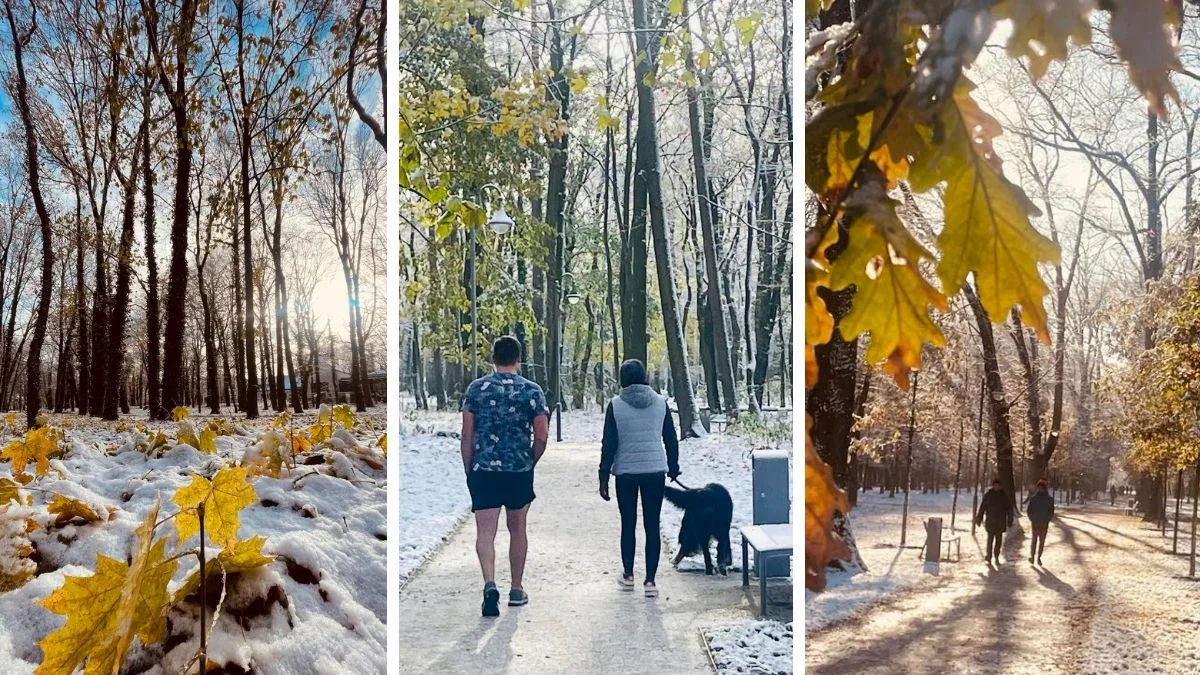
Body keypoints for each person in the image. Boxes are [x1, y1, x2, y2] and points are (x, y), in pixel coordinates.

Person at [461, 336, 549, 617]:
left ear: (493, 358)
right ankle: (517, 588)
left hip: (484, 470)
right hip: (518, 470)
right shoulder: (532, 392)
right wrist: (530, 460)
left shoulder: (476, 390)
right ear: (519, 359)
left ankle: (489, 583)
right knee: (518, 529)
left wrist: (469, 467)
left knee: (485, 533)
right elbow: (543, 435)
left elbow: (467, 434)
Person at [598, 359, 680, 598]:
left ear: (622, 379)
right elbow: (671, 439)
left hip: (626, 473)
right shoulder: (661, 404)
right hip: (655, 471)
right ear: (645, 377)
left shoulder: (615, 405)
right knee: (652, 525)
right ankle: (651, 581)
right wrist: (673, 467)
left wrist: (603, 476)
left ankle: (628, 574)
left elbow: (609, 444)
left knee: (628, 524)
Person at [975, 478, 1013, 566]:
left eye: (998, 485)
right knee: (990, 540)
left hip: (1000, 522)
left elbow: (1009, 509)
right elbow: (982, 507)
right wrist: (979, 518)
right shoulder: (988, 495)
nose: (996, 487)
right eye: (995, 485)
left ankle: (996, 555)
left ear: (1000, 486)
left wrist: (1010, 519)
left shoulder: (1004, 496)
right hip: (990, 521)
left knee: (998, 541)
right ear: (993, 485)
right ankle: (989, 556)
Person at [1027, 479, 1055, 564]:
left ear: (1044, 488)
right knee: (1034, 540)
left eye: (1041, 488)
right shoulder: (1034, 498)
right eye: (1039, 488)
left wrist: (1047, 519)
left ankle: (1039, 557)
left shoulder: (1049, 499)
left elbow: (1051, 511)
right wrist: (1032, 518)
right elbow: (1029, 510)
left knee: (1041, 541)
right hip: (1036, 522)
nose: (1040, 489)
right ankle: (1032, 556)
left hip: (1043, 523)